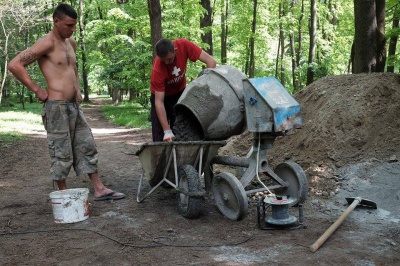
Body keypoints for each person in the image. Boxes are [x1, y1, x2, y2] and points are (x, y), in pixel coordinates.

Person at [7, 3, 125, 201]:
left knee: (86, 145)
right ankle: (64, 196)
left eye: (74, 26)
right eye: (69, 25)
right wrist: (37, 90)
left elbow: (74, 68)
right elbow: (14, 65)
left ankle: (99, 188)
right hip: (56, 107)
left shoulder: (71, 43)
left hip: (73, 107)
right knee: (61, 151)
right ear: (56, 21)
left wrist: (77, 89)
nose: (72, 29)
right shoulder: (46, 43)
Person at [150, 38, 217, 142]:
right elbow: (159, 102)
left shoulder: (184, 45)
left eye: (169, 59)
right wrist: (167, 131)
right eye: (164, 60)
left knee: (181, 129)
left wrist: (205, 85)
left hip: (179, 94)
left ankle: (181, 157)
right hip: (161, 98)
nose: (167, 63)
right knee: (160, 133)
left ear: (175, 50)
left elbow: (211, 61)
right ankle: (160, 157)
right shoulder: (158, 69)